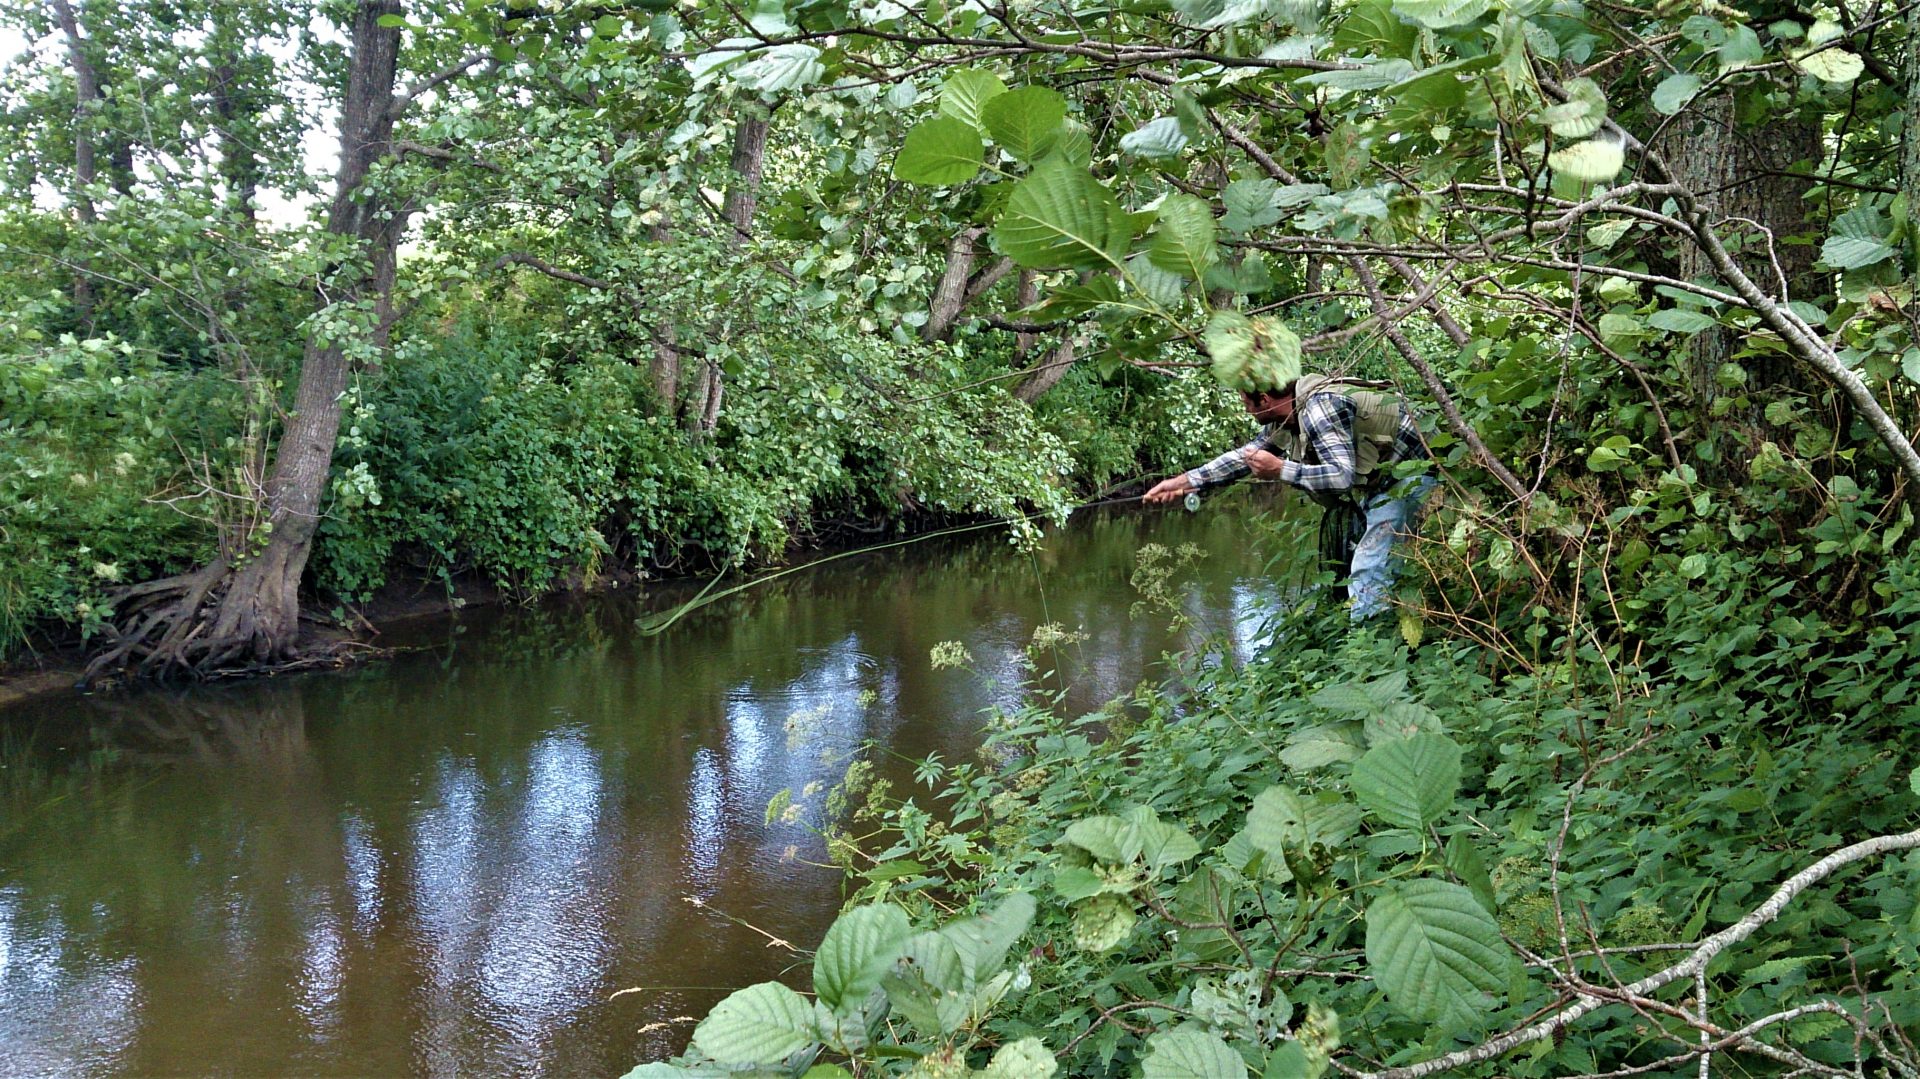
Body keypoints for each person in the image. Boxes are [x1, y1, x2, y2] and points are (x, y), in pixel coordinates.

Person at [1144, 373, 1434, 621]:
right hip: (1387, 477)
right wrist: (1185, 481)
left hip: (1414, 468)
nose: (1244, 408)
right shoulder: (1289, 414)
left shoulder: (1320, 408)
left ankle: (1369, 654)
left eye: (1245, 400)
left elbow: (1341, 476)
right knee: (1380, 559)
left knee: (1369, 565)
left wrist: (1281, 469)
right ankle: (1391, 623)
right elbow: (1246, 458)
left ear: (1265, 400)